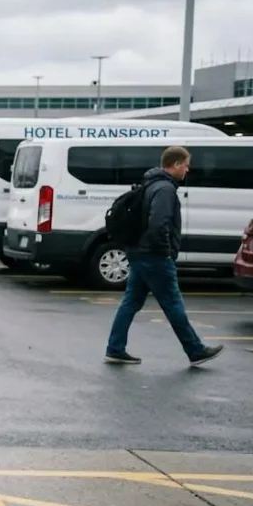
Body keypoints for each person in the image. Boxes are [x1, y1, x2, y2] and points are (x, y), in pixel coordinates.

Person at [105, 146, 224, 367]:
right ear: (176, 164)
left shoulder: (151, 184)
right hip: (154, 256)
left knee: (131, 302)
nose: (187, 170)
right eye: (186, 165)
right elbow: (159, 223)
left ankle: (115, 348)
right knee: (172, 304)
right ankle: (195, 350)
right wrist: (165, 252)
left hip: (139, 253)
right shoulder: (165, 189)